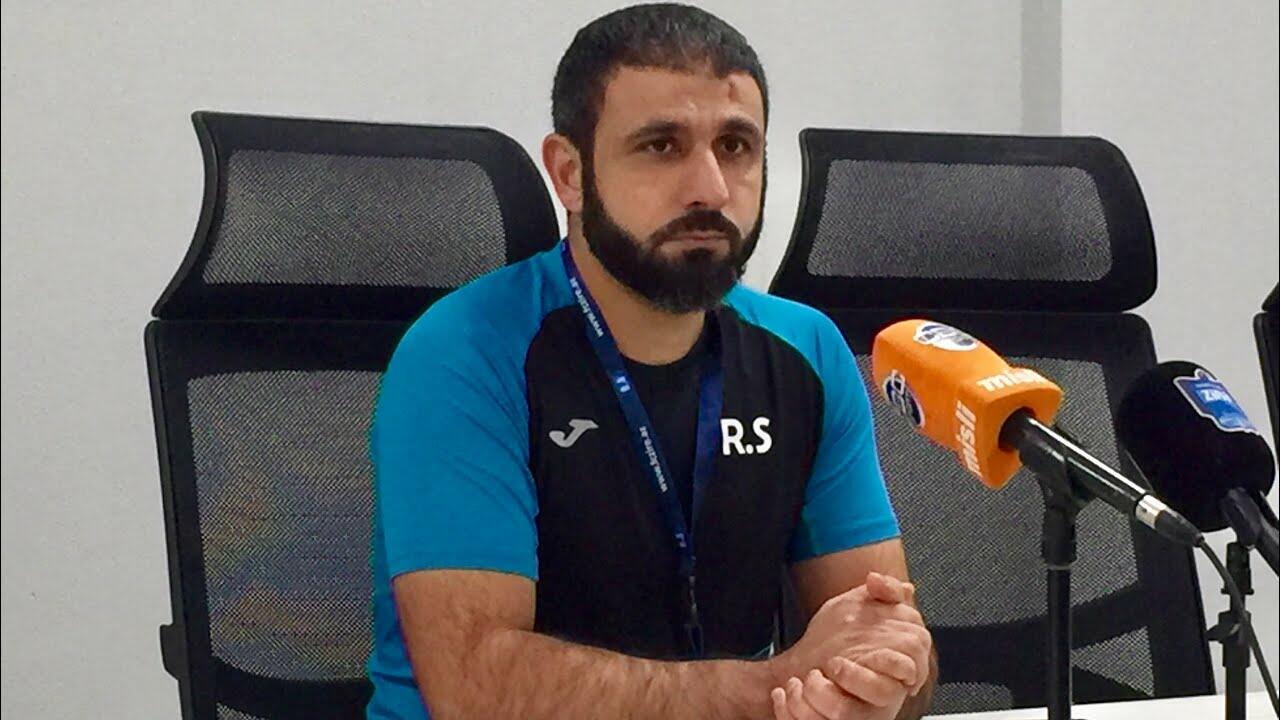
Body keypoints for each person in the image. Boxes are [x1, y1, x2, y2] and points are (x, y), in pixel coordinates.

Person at [365, 4, 935, 719]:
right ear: (570, 173)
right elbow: (480, 690)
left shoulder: (808, 349)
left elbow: (887, 642)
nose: (711, 188)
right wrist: (777, 685)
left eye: (736, 146)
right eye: (662, 145)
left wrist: (882, 679)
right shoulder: (463, 352)